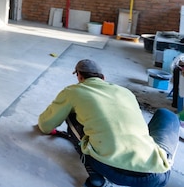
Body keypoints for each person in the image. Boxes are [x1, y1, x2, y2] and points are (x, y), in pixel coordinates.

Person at [38, 59, 180, 187]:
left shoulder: (73, 91)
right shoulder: (126, 92)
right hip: (155, 176)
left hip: (107, 168)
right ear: (103, 78)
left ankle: (96, 178)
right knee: (167, 115)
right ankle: (160, 157)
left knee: (70, 114)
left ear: (79, 77)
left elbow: (45, 125)